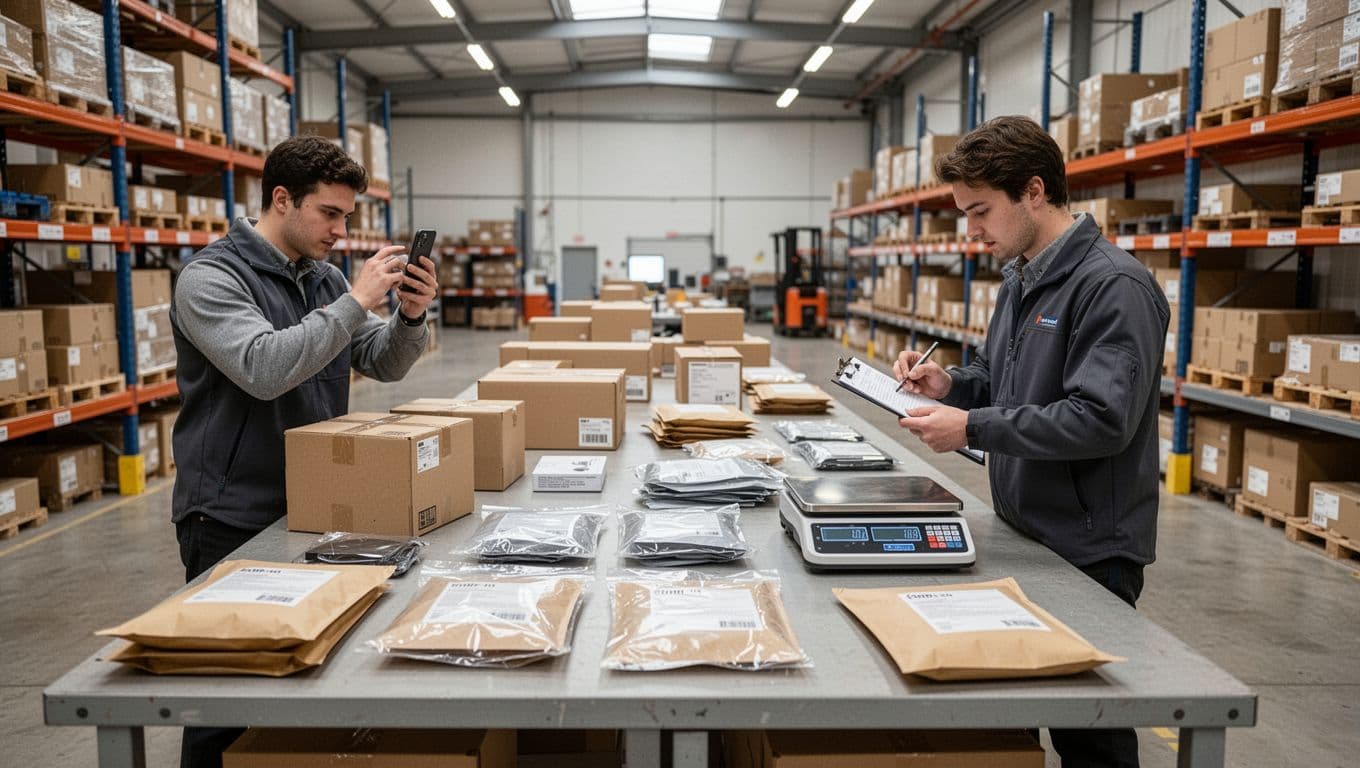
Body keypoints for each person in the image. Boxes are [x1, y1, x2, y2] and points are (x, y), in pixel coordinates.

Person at [893, 116, 1169, 768]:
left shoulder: (1114, 286)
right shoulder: (1021, 277)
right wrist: (952, 384)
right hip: (1026, 530)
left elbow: (1102, 418)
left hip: (1089, 546)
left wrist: (975, 427)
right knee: (1039, 709)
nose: (973, 230)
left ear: (1035, 191)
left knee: (1089, 732)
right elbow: (1000, 379)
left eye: (981, 211)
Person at [168, 135, 437, 768]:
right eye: (330, 214)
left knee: (302, 676)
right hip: (230, 515)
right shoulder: (211, 278)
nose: (342, 231)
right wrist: (354, 303)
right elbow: (263, 367)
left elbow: (383, 362)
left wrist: (410, 317)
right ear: (282, 199)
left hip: (313, 508)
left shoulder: (325, 278)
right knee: (225, 701)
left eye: (347, 216)